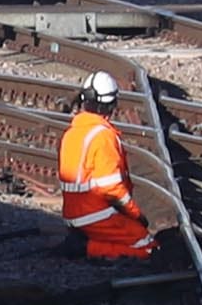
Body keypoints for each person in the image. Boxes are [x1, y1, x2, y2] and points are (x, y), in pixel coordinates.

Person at [57, 73, 154, 261]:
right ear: (110, 104)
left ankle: (86, 242)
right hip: (95, 214)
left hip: (73, 214)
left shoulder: (72, 132)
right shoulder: (103, 137)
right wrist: (135, 214)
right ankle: (86, 248)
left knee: (133, 237)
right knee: (148, 247)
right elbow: (111, 189)